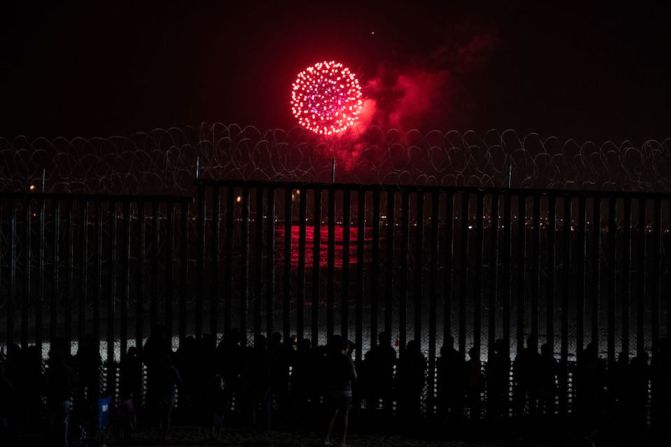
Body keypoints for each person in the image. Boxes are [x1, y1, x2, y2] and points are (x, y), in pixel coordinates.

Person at [324, 336, 357, 447]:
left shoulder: (330, 358)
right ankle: (342, 442)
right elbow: (354, 376)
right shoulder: (346, 359)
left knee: (332, 415)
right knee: (345, 416)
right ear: (345, 347)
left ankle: (326, 438)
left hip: (332, 389)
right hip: (345, 390)